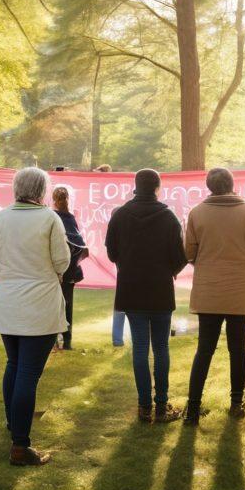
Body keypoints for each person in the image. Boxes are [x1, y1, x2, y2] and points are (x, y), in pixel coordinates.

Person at [0, 168, 70, 465]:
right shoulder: (49, 218)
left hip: (8, 302)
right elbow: (62, 260)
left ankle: (14, 424)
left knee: (15, 364)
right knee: (27, 374)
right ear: (41, 190)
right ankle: (20, 445)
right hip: (39, 304)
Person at [182, 167, 245, 425]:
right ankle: (236, 402)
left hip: (208, 290)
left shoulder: (197, 213)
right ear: (232, 184)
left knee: (204, 349)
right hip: (240, 290)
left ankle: (193, 408)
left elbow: (189, 253)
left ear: (209, 186)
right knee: (237, 348)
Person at [105, 168, 188, 423]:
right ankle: (161, 406)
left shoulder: (120, 215)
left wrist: (127, 265)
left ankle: (144, 407)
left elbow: (111, 252)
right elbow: (180, 257)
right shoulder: (168, 217)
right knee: (161, 347)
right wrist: (169, 271)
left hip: (132, 289)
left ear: (135, 186)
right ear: (157, 187)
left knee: (140, 347)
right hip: (161, 289)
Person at [93, 164, 127, 347]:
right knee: (125, 305)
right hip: (125, 265)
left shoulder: (116, 226)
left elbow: (110, 249)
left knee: (121, 304)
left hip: (123, 267)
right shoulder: (125, 225)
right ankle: (118, 338)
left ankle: (117, 338)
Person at [52, 186, 89, 350]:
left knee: (53, 305)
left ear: (54, 201)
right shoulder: (70, 218)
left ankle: (54, 340)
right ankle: (67, 341)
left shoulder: (52, 217)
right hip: (70, 271)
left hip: (55, 270)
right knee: (67, 305)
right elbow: (80, 245)